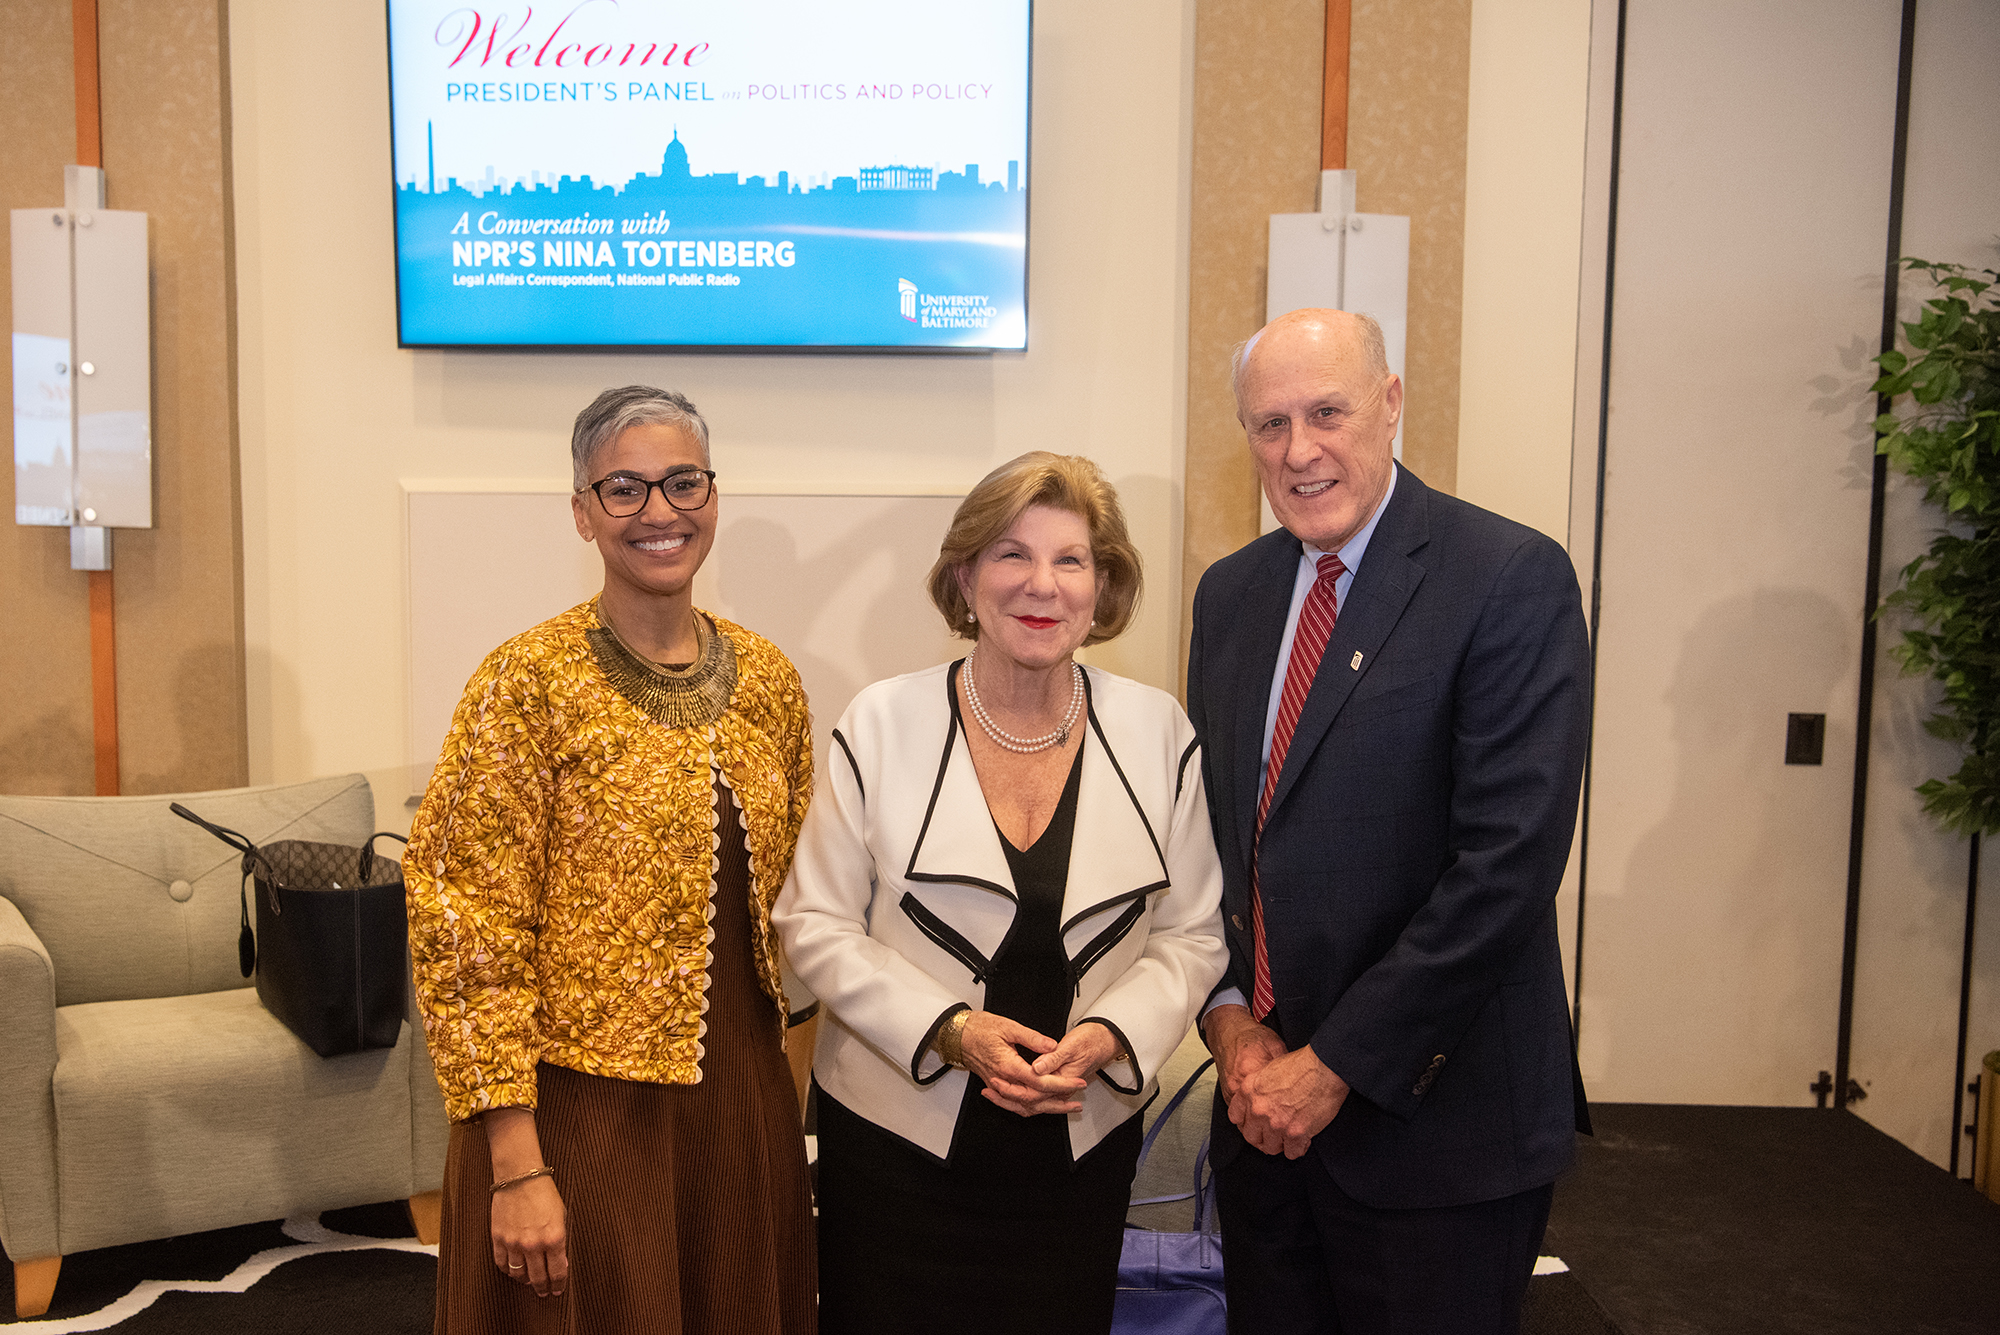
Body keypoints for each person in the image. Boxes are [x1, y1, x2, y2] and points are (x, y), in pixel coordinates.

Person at [1186, 309, 1593, 1334]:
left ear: (1391, 403)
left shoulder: (1505, 577)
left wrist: (1330, 1069)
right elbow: (1215, 845)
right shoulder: (1229, 595)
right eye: (1267, 423)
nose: (1298, 449)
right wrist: (1230, 1022)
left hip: (1434, 1133)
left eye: (1326, 412)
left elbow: (1503, 868)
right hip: (1260, 1123)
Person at [773, 452, 1228, 1335]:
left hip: (1078, 1137)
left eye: (1072, 559)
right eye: (1012, 554)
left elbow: (1193, 932)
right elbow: (814, 922)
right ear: (964, 575)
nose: (1042, 585)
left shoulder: (1157, 729)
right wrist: (952, 1029)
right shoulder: (880, 720)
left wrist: (1109, 1037)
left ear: (1104, 585)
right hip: (897, 1144)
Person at [404, 385, 816, 1333]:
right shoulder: (526, 679)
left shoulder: (769, 680)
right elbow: (461, 918)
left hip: (737, 1102)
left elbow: (782, 897)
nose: (659, 512)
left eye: (683, 482)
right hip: (575, 1114)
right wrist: (516, 1157)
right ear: (583, 512)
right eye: (625, 489)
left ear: (715, 495)